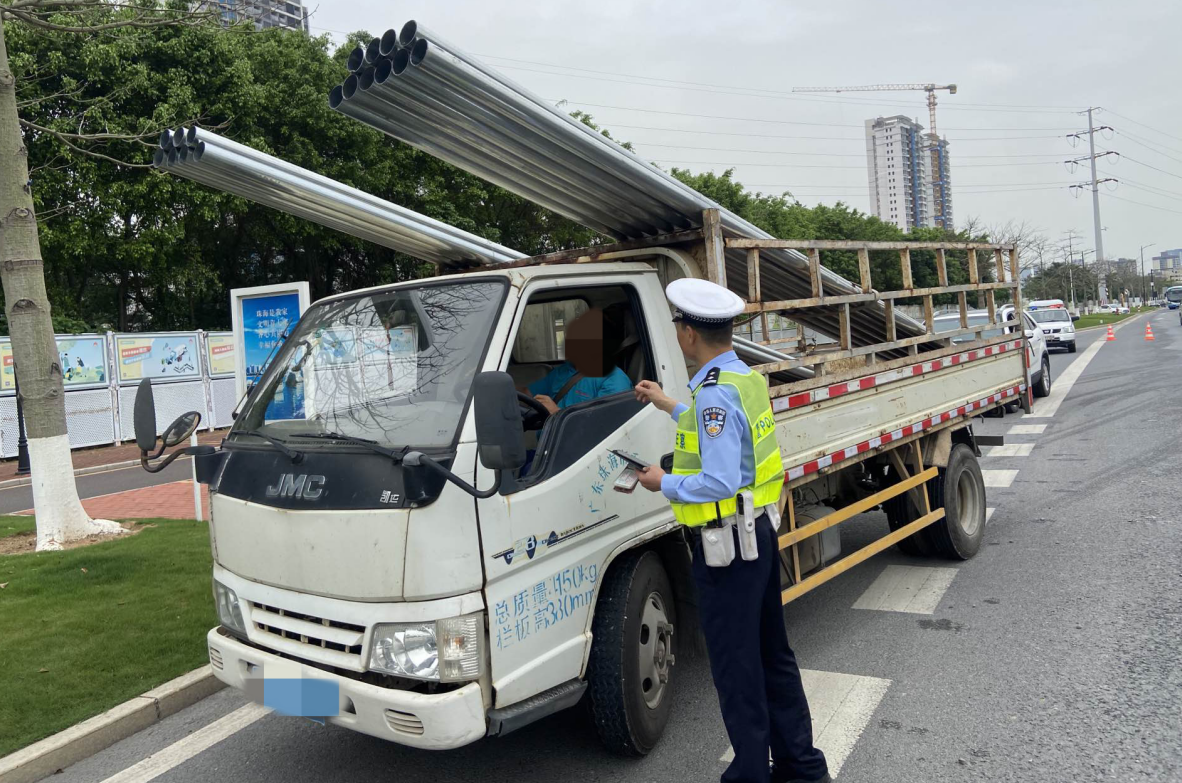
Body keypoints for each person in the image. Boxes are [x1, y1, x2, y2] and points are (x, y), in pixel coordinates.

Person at [633, 278, 830, 783]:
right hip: (756, 537)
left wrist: (664, 482)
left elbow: (718, 478)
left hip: (727, 549)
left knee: (736, 666)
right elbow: (721, 435)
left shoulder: (716, 395)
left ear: (689, 334)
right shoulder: (739, 377)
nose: (677, 332)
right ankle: (801, 767)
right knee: (771, 655)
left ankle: (749, 774)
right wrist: (669, 404)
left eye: (679, 325)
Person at [524, 307, 631, 414]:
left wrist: (556, 413)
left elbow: (604, 426)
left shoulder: (614, 379)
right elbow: (528, 393)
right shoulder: (564, 370)